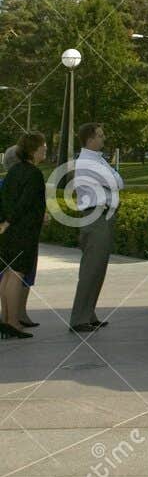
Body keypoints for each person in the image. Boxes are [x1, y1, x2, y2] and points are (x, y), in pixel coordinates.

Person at [69, 122, 123, 336]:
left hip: (103, 216)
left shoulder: (98, 160)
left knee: (98, 269)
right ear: (90, 139)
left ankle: (88, 313)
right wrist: (113, 181)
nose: (103, 138)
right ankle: (79, 318)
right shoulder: (87, 162)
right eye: (100, 135)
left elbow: (118, 180)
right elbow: (116, 182)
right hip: (96, 217)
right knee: (91, 269)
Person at [0, 132, 47, 339]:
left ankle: (6, 319)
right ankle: (12, 322)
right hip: (24, 231)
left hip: (10, 232)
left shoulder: (14, 172)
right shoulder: (33, 173)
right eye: (43, 146)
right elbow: (25, 202)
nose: (46, 149)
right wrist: (10, 220)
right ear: (34, 149)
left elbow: (7, 200)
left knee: (8, 274)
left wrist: (5, 223)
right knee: (17, 275)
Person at [0, 146, 36, 328]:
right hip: (16, 236)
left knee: (9, 275)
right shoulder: (14, 183)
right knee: (16, 274)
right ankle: (13, 318)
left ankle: (12, 316)